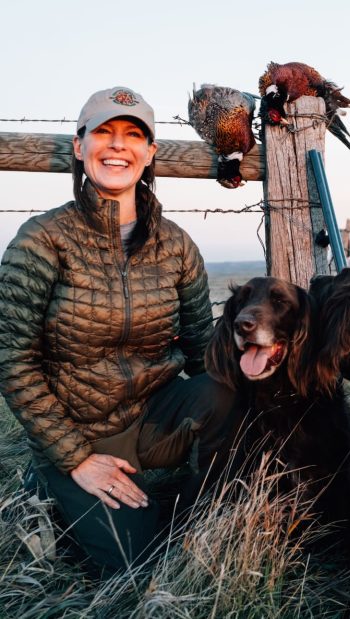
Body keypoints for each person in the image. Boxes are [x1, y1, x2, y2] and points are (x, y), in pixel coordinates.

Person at [0, 87, 237, 575]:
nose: (117, 146)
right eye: (103, 132)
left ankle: (207, 499)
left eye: (133, 135)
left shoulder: (175, 245)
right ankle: (48, 487)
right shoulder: (43, 240)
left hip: (154, 415)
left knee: (228, 395)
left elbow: (201, 349)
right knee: (141, 566)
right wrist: (76, 458)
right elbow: (11, 357)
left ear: (149, 154)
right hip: (78, 432)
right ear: (78, 145)